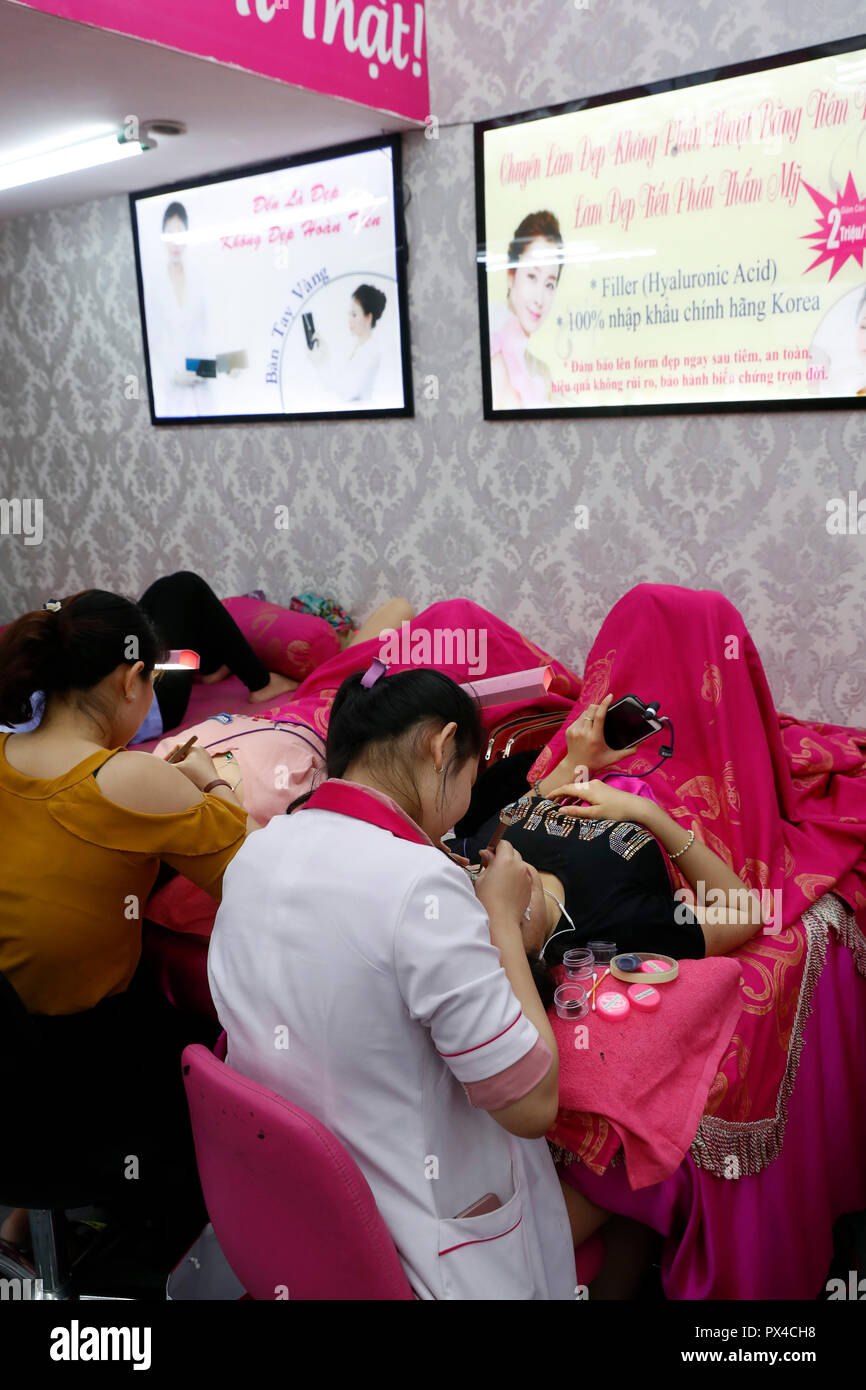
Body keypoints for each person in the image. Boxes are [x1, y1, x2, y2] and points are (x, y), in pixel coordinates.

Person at [208, 665, 608, 1299]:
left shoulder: (257, 850)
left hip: (292, 1215)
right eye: (473, 773)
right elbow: (532, 1108)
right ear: (442, 746)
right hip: (410, 1256)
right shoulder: (420, 884)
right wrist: (499, 917)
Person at [0, 589, 259, 1252]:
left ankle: (33, 1218)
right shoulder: (131, 780)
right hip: (74, 1079)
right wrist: (211, 777)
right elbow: (261, 881)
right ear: (130, 678)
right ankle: (192, 1242)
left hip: (14, 1054)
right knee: (219, 1048)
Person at [455, 692, 764, 1004]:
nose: (501, 878)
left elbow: (521, 810)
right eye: (514, 915)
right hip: (682, 800)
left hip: (598, 764)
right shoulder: (619, 923)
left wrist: (574, 762)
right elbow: (745, 913)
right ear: (536, 957)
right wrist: (646, 812)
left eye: (477, 888)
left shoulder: (488, 861)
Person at [490, 211, 563, 409]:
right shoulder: (490, 353)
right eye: (532, 276)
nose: (539, 299)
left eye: (549, 285)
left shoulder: (542, 373)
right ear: (511, 275)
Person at [310, 283, 387, 403]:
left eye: (354, 315)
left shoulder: (372, 351)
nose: (350, 319)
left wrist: (321, 364)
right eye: (350, 314)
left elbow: (347, 391)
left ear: (368, 317)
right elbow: (337, 379)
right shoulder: (354, 346)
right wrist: (323, 355)